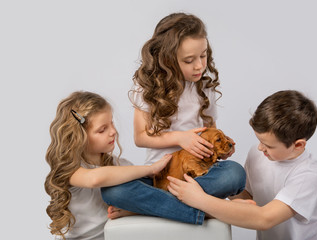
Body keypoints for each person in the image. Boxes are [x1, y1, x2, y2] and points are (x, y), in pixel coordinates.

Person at [101, 12, 246, 224]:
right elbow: (140, 138)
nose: (199, 65)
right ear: (167, 59)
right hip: (159, 176)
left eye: (203, 56)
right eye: (189, 60)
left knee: (235, 174)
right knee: (112, 189)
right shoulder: (147, 88)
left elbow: (211, 132)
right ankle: (207, 211)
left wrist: (221, 149)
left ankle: (150, 208)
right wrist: (180, 138)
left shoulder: (205, 88)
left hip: (197, 176)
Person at [167, 90, 317, 240]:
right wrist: (222, 178)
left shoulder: (307, 176)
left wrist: (200, 199)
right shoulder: (258, 153)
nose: (260, 148)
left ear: (298, 145)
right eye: (259, 141)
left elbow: (264, 218)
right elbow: (247, 197)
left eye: (268, 145)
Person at [44, 91, 172, 240]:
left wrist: (130, 211)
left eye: (111, 123)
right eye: (102, 129)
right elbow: (94, 179)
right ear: (80, 137)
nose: (113, 132)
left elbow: (144, 201)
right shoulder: (72, 170)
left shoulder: (122, 166)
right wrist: (150, 169)